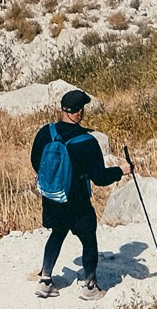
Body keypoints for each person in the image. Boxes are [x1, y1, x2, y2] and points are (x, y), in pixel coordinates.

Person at [31, 86, 123, 295]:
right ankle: (89, 286)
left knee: (57, 233)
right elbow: (99, 178)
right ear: (79, 111)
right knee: (88, 238)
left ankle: (45, 280)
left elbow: (36, 162)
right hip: (77, 199)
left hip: (52, 197)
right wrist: (120, 170)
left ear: (62, 109)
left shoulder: (46, 132)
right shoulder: (87, 141)